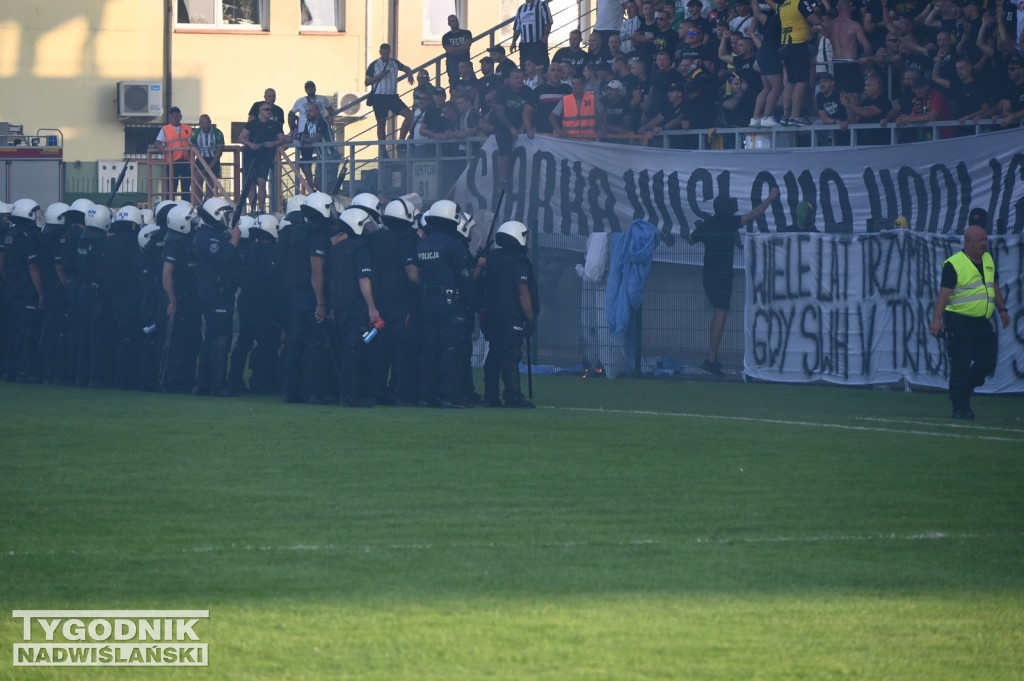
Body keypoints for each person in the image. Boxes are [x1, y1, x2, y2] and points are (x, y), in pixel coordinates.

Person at [689, 187, 779, 377]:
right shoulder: (727, 222)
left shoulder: (709, 223)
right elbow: (753, 214)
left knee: (717, 312)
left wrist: (705, 230)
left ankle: (710, 355)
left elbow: (691, 239)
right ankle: (711, 358)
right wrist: (769, 198)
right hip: (722, 275)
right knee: (721, 312)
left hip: (708, 275)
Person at [929, 220, 1012, 419]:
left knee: (988, 361)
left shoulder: (988, 260)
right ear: (968, 243)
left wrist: (1002, 309)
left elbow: (994, 286)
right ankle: (959, 406)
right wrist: (936, 320)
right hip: (959, 321)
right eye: (980, 240)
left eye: (985, 239)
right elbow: (944, 295)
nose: (984, 243)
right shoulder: (954, 264)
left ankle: (963, 391)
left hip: (981, 323)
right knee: (961, 364)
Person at [416, 200, 474, 408]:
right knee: (452, 349)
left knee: (429, 349)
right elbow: (465, 277)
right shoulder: (453, 245)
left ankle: (426, 395)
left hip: (427, 302)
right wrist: (469, 304)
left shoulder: (423, 244)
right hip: (451, 303)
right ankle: (451, 395)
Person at [281, 192, 333, 404]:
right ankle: (315, 391)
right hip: (312, 296)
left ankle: (291, 390)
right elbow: (316, 271)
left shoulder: (296, 232)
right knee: (316, 344)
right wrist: (321, 303)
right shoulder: (317, 236)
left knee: (295, 343)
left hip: (296, 294)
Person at [481, 220, 538, 408]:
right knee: (511, 354)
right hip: (511, 315)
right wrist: (529, 317)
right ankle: (513, 395)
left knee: (495, 352)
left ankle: (490, 395)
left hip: (491, 313)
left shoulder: (492, 257)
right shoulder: (519, 261)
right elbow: (523, 290)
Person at [328, 208, 379, 407]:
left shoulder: (337, 249)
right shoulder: (362, 249)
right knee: (356, 350)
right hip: (357, 309)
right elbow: (364, 280)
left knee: (345, 350)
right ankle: (352, 395)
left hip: (340, 307)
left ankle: (345, 391)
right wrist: (372, 308)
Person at [191, 198, 240, 397]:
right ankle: (218, 384)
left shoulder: (206, 235)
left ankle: (202, 384)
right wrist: (235, 239)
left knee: (211, 338)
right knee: (220, 339)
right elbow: (222, 258)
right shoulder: (209, 238)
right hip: (216, 292)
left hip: (211, 290)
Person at [2, 199, 45, 383]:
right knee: (27, 332)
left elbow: (2, 263)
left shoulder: (10, 233)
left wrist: (7, 281)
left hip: (11, 287)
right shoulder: (28, 236)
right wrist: (41, 293)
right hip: (25, 289)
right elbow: (33, 266)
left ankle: (8, 371)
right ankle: (25, 372)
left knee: (11, 331)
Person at [161, 203, 202, 394]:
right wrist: (173, 301)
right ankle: (176, 382)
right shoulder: (176, 245)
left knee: (191, 341)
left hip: (190, 298)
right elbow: (166, 274)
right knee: (180, 343)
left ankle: (186, 380)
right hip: (182, 299)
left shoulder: (184, 242)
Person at [239, 101, 289, 213]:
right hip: (250, 156)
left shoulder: (274, 125)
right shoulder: (252, 124)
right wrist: (251, 145)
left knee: (262, 182)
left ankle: (261, 209)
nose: (269, 111)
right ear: (260, 112)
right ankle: (252, 209)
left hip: (265, 156)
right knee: (250, 183)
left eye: (270, 109)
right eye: (266, 109)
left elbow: (283, 138)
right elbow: (241, 138)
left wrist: (273, 143)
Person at [365, 43, 416, 152]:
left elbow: (405, 67)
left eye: (387, 54)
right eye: (383, 54)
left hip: (392, 96)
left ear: (389, 53)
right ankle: (383, 150)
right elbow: (367, 82)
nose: (385, 56)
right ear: (380, 52)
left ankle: (401, 141)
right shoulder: (374, 65)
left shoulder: (394, 63)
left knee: (409, 115)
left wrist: (409, 74)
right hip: (379, 97)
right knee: (381, 123)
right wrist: (379, 76)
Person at [153, 107, 193, 200]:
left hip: (186, 162)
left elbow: (193, 144)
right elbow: (157, 142)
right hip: (172, 162)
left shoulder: (188, 129)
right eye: (172, 115)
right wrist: (160, 147)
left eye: (177, 115)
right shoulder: (165, 129)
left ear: (180, 116)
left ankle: (186, 205)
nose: (175, 117)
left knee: (186, 186)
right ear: (170, 117)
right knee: (171, 186)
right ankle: (170, 205)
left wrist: (192, 162)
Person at [550, 74, 606, 139]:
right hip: (570, 139)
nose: (574, 86)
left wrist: (602, 130)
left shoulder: (592, 98)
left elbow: (603, 113)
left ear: (583, 85)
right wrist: (559, 130)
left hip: (589, 139)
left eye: (577, 84)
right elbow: (552, 117)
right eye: (573, 84)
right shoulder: (565, 100)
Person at [299, 102, 339, 191]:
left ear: (317, 111)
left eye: (310, 111)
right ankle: (329, 197)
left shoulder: (322, 122)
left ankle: (332, 198)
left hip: (330, 155)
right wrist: (304, 138)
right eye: (307, 111)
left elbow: (316, 138)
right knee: (317, 183)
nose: (308, 113)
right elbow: (304, 135)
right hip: (320, 157)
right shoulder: (308, 123)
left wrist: (305, 140)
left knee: (328, 184)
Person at [190, 114, 225, 201]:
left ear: (210, 123)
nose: (205, 125)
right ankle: (197, 203)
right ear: (200, 124)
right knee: (198, 182)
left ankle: (207, 203)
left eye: (207, 123)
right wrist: (192, 163)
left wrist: (209, 167)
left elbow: (219, 152)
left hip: (213, 159)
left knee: (210, 183)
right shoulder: (195, 133)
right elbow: (191, 149)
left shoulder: (218, 133)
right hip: (201, 159)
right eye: (203, 123)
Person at [511, 0, 554, 68]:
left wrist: (545, 37)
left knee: (541, 66)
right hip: (525, 44)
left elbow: (548, 22)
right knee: (525, 67)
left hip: (538, 42)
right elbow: (517, 27)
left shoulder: (541, 4)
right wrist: (513, 41)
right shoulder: (521, 8)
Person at [442, 14, 474, 87]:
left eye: (456, 20)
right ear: (449, 24)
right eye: (452, 21)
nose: (455, 22)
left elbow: (467, 46)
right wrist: (461, 47)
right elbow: (448, 50)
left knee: (471, 81)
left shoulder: (466, 33)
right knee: (454, 84)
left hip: (465, 60)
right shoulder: (446, 37)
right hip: (452, 62)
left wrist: (454, 49)